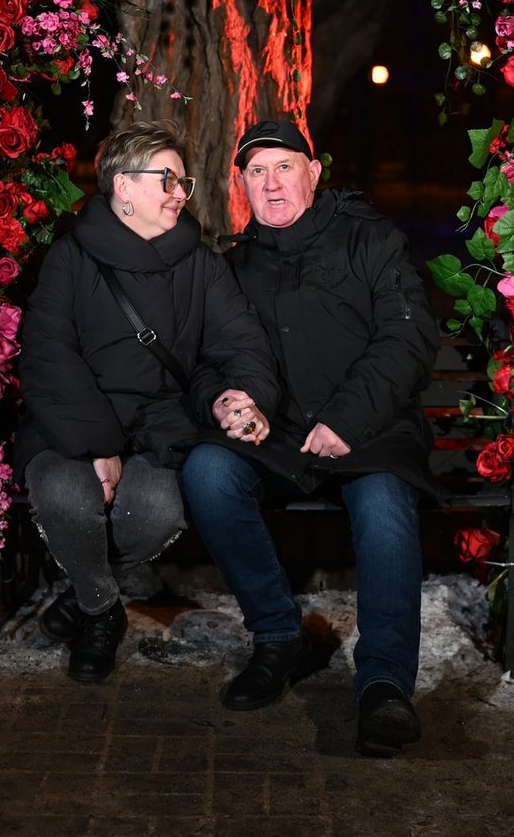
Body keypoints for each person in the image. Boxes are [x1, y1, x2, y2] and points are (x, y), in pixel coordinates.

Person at [181, 118, 440, 758]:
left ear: (313, 172)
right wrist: (227, 400)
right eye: (256, 172)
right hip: (279, 436)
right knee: (208, 473)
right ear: (240, 184)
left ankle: (383, 686)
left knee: (383, 508)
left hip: (369, 431)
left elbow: (408, 338)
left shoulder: (368, 239)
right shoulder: (233, 265)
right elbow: (206, 358)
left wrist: (348, 419)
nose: (271, 185)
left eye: (284, 167)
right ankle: (278, 638)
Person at [14, 118, 279, 683]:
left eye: (182, 183)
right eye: (167, 179)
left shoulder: (200, 264)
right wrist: (97, 444)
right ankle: (102, 613)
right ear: (123, 187)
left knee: (156, 513)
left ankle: (88, 593)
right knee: (63, 494)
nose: (180, 193)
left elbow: (242, 344)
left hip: (160, 427)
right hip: (74, 420)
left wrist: (242, 394)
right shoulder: (70, 258)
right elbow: (47, 354)